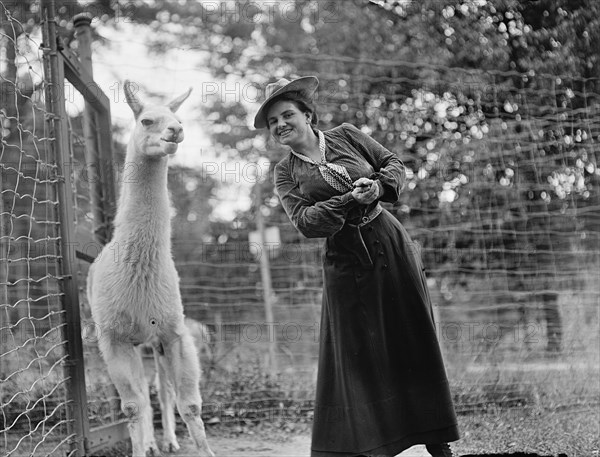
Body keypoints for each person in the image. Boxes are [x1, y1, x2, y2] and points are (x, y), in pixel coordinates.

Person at [254, 76, 460, 457]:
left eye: (287, 115)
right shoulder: (285, 174)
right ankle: (371, 444)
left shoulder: (347, 135)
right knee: (356, 352)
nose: (281, 125)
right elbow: (305, 222)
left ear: (307, 115)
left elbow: (392, 162)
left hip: (388, 242)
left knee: (410, 335)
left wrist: (379, 187)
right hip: (344, 260)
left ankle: (436, 437)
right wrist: (350, 198)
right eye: (273, 122)